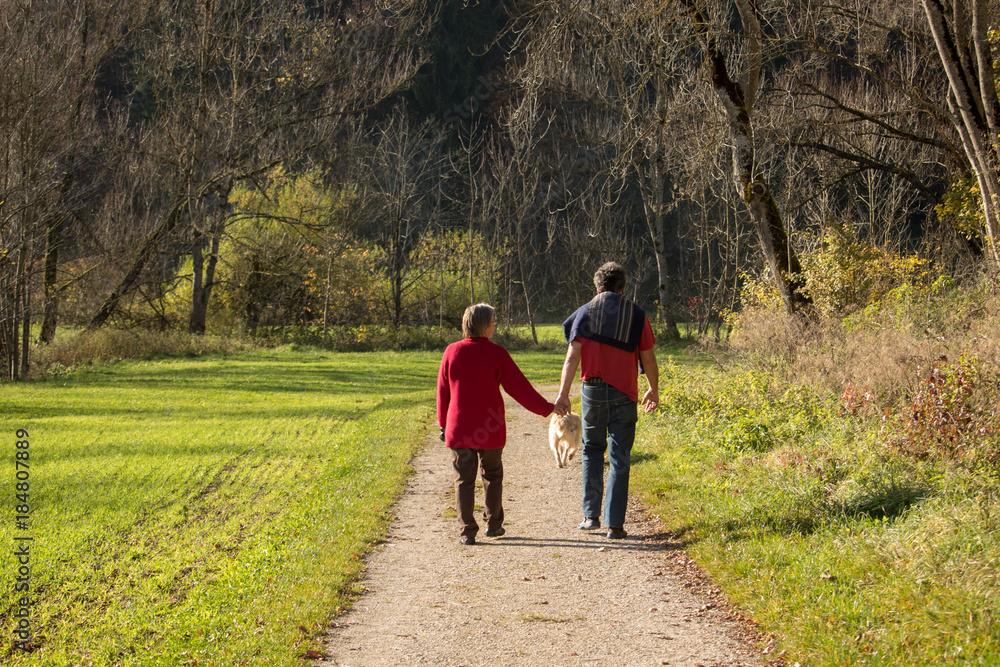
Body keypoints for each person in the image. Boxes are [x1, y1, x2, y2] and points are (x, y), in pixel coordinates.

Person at [437, 303, 562, 545]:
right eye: (493, 321)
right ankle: (493, 525)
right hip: (490, 429)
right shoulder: (497, 354)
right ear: (485, 326)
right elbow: (519, 388)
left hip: (459, 428)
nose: (495, 325)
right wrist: (547, 408)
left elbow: (443, 392)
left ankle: (467, 532)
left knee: (463, 479)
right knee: (492, 475)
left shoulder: (451, 352)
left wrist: (443, 424)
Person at [555, 262, 659, 540]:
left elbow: (572, 356)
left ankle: (591, 517)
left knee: (591, 450)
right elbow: (647, 357)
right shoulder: (637, 315)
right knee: (619, 456)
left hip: (592, 392)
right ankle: (615, 525)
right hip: (625, 393)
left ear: (597, 287)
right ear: (624, 289)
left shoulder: (584, 313)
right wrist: (653, 388)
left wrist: (564, 393)